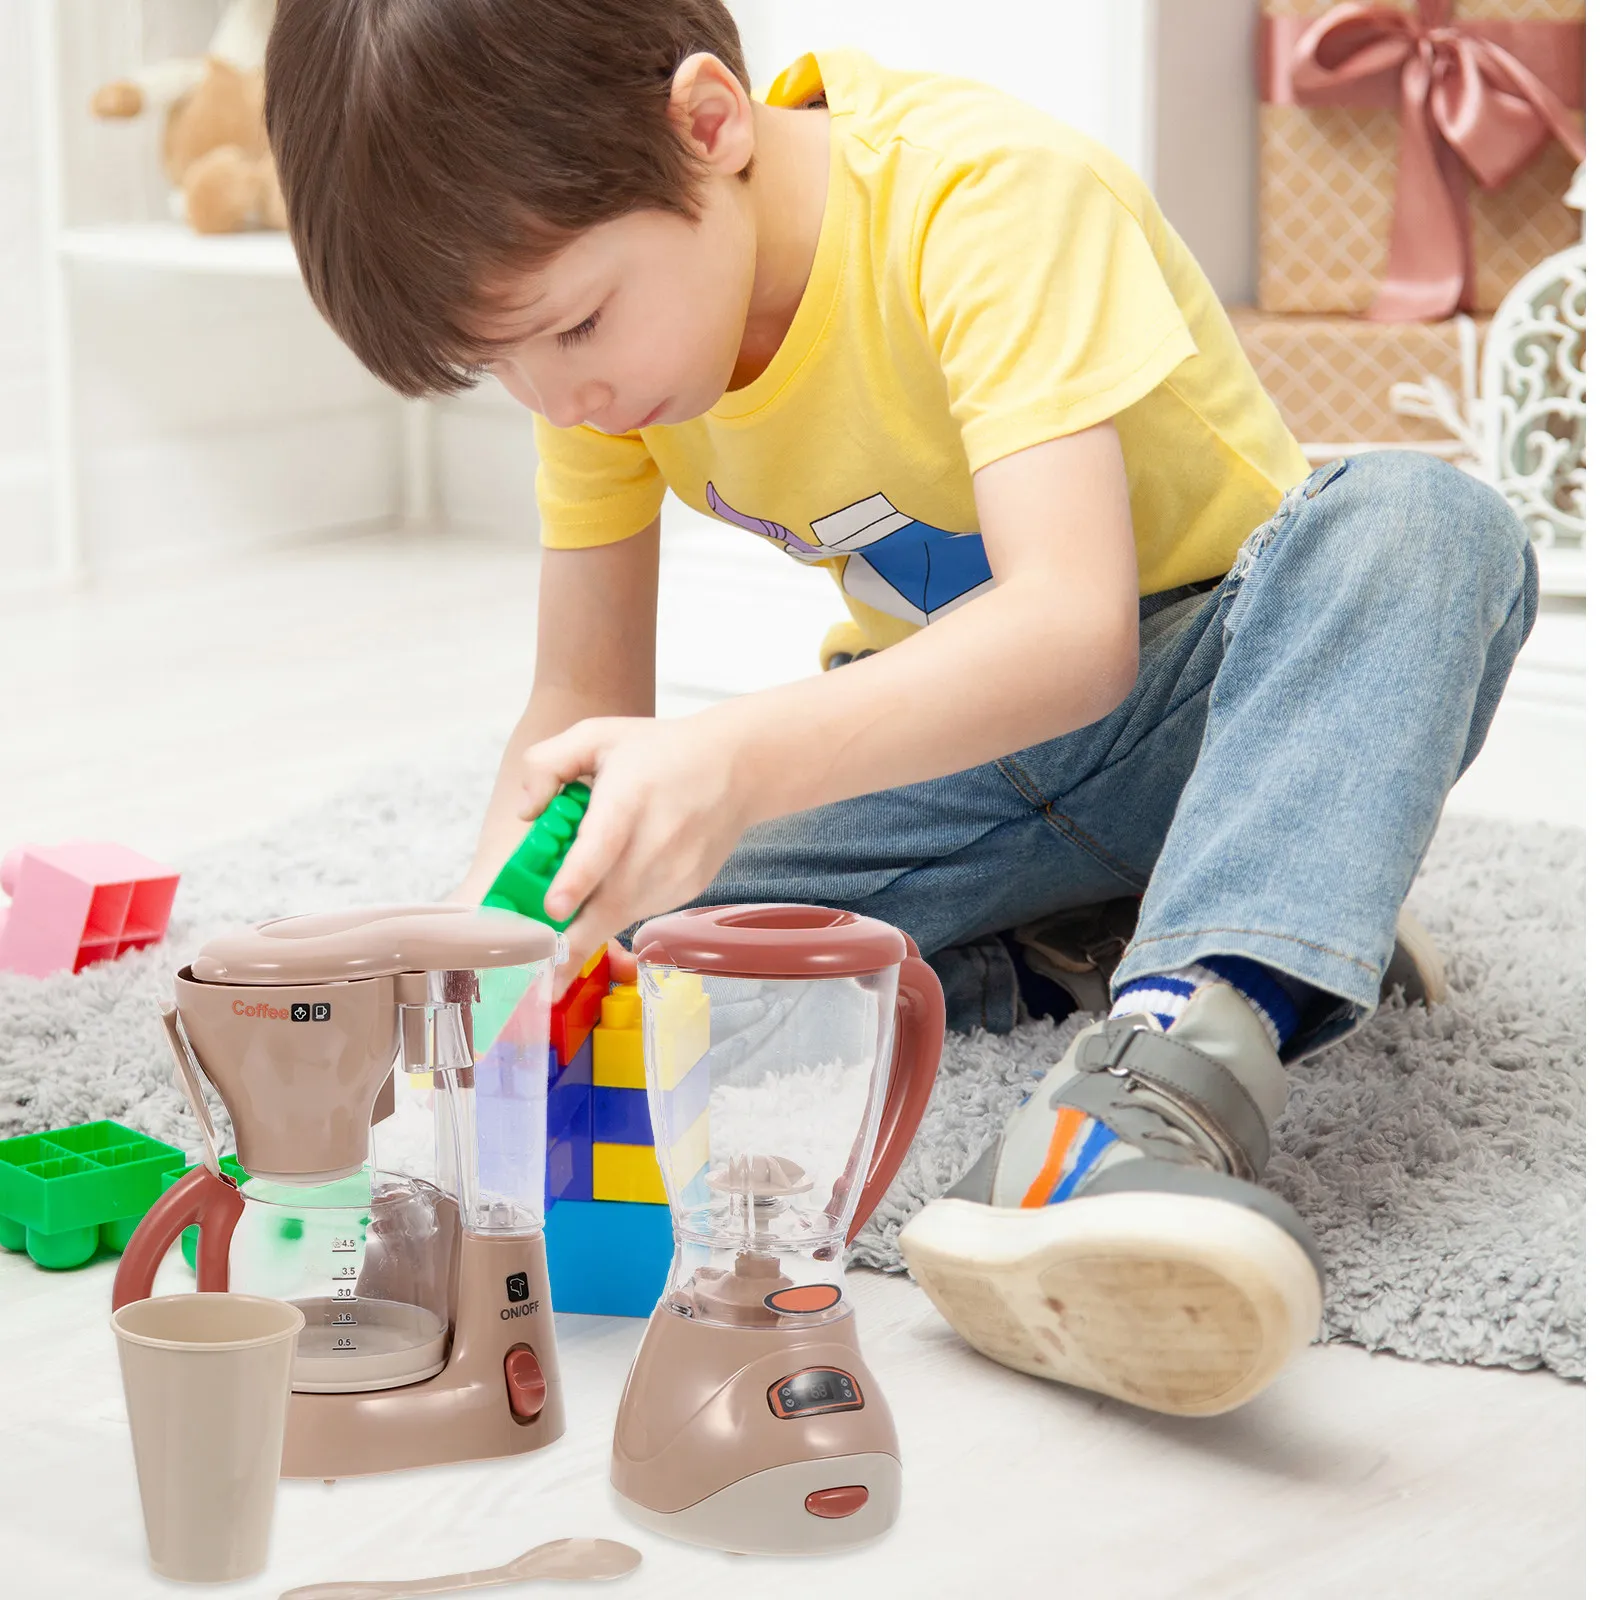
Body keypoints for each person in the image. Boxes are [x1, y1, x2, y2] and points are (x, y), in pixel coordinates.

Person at [264, 0, 1537, 1417]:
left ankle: (1161, 1077)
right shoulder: (598, 379)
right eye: (502, 366)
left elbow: (1075, 634)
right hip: (960, 763)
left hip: (1211, 703)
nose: (561, 400)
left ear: (708, 124)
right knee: (646, 934)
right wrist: (487, 960)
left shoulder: (983, 196)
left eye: (573, 326)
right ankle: (1124, 946)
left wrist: (728, 763)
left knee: (1422, 523)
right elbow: (577, 704)